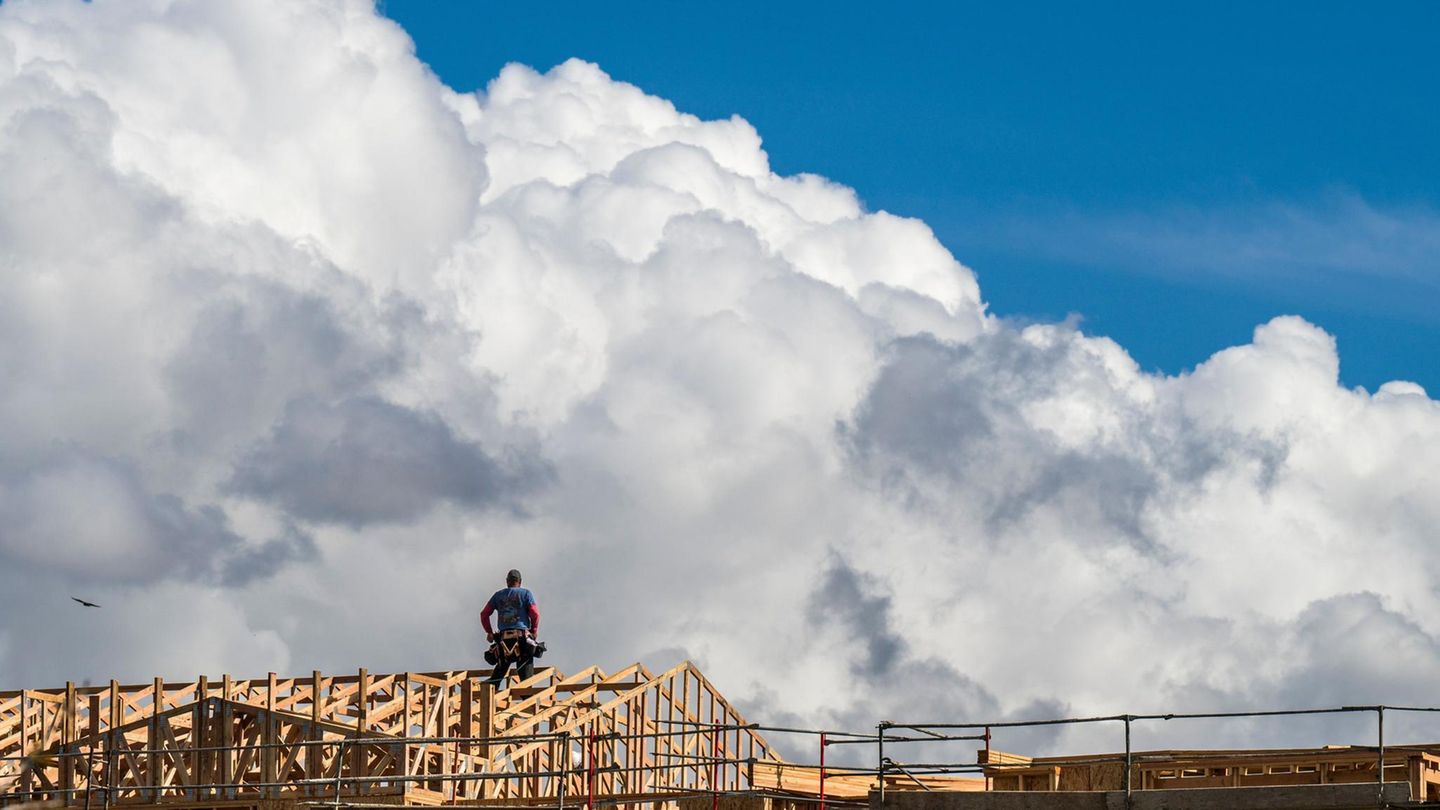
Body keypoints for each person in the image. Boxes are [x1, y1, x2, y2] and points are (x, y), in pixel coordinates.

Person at [481, 569, 540, 685]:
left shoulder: (498, 596)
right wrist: (534, 631)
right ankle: (527, 696)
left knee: (499, 671)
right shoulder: (526, 594)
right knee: (526, 681)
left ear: (507, 581)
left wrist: (489, 632)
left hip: (503, 641)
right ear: (520, 581)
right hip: (522, 639)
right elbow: (535, 613)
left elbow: (484, 614)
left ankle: (488, 689)